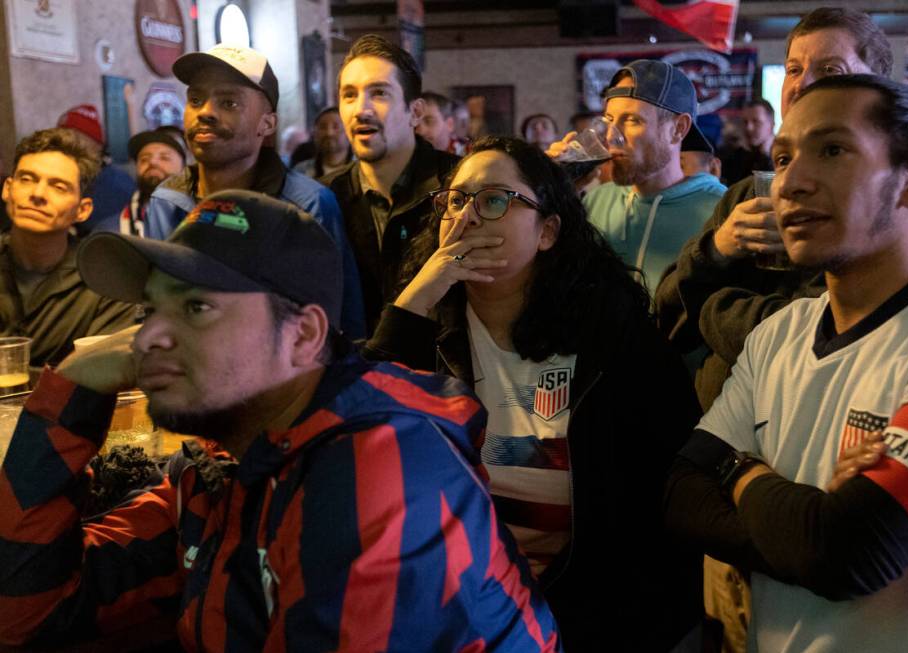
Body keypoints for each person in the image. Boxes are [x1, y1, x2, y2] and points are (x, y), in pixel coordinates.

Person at [0, 188, 561, 652]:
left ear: (305, 335)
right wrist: (70, 388)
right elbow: (26, 611)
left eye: (196, 308)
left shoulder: (380, 468)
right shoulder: (226, 462)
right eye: (152, 308)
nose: (148, 337)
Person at [664, 73, 908, 653]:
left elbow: (850, 552)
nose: (792, 182)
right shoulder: (776, 336)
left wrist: (735, 471)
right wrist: (810, 528)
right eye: (782, 158)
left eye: (832, 150)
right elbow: (681, 496)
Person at [363, 137, 702, 652]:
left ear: (547, 231)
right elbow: (354, 435)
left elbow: (663, 504)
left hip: (588, 616)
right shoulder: (424, 330)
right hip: (449, 616)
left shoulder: (611, 338)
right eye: (455, 200)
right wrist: (415, 298)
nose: (467, 217)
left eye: (494, 199)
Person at [655, 6, 908, 412]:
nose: (803, 86)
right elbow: (665, 316)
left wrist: (710, 302)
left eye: (830, 70)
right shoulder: (748, 193)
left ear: (878, 85)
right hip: (721, 434)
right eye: (794, 69)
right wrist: (717, 249)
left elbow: (833, 340)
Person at [143, 43, 365, 338]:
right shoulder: (167, 202)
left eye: (229, 103)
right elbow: (157, 306)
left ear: (268, 123)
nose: (205, 112)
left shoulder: (304, 206)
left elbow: (334, 329)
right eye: (195, 99)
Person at [326, 34, 457, 332]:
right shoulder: (325, 197)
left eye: (379, 93)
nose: (361, 109)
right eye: (349, 95)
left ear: (415, 112)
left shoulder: (458, 185)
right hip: (359, 371)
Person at [563, 59, 726, 290]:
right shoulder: (596, 200)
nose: (611, 137)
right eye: (609, 119)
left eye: (632, 120)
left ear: (678, 129)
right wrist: (555, 191)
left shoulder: (719, 210)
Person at [0, 128, 137, 366]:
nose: (38, 194)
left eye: (58, 187)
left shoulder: (107, 282)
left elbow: (101, 373)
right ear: (7, 189)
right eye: (27, 179)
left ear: (82, 210)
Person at [56, 104, 137, 235]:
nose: (65, 146)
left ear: (97, 147)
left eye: (77, 139)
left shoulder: (117, 185)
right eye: (60, 139)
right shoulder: (52, 175)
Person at [121, 128, 186, 236]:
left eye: (164, 158)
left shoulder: (206, 215)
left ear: (184, 168)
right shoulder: (112, 229)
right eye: (144, 159)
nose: (152, 162)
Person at [719, 100, 775, 185]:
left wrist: (765, 155)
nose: (749, 128)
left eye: (756, 121)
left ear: (771, 124)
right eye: (745, 122)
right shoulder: (732, 158)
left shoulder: (782, 157)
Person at [294, 107, 353, 179]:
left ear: (349, 132)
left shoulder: (362, 169)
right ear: (314, 133)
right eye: (322, 127)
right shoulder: (301, 171)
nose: (329, 133)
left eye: (336, 127)